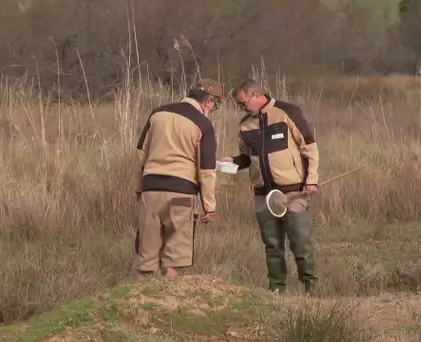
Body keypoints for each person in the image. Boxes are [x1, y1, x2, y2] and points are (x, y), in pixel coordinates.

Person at [219, 78, 319, 295]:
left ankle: (312, 289)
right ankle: (276, 290)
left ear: (256, 95)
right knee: (272, 246)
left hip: (293, 191)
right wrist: (233, 162)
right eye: (238, 105)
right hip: (263, 195)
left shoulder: (287, 112)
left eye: (243, 103)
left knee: (300, 243)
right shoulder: (245, 125)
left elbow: (309, 147)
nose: (241, 108)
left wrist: (311, 179)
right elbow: (247, 158)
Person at [133, 79, 222, 282]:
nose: (213, 110)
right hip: (182, 193)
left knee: (145, 258)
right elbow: (206, 170)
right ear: (208, 101)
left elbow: (140, 153)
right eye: (215, 105)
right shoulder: (203, 124)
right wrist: (209, 206)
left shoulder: (157, 113)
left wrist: (139, 187)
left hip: (150, 189)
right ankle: (169, 307)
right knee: (173, 258)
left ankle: (135, 305)